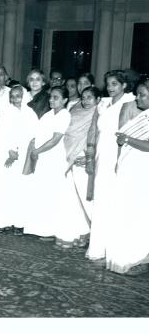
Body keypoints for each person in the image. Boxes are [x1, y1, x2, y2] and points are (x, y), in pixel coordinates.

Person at [24, 86, 88, 247]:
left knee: (54, 193)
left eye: (56, 97)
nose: (52, 100)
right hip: (44, 157)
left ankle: (54, 229)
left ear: (65, 100)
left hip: (55, 157)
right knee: (44, 192)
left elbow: (55, 139)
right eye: (51, 97)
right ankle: (44, 228)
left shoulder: (64, 115)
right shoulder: (48, 114)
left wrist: (37, 151)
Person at [86, 70, 135, 262]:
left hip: (118, 154)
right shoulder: (104, 103)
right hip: (102, 154)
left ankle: (112, 248)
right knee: (101, 199)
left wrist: (120, 158)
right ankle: (97, 246)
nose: (110, 87)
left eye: (115, 84)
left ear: (124, 85)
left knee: (114, 200)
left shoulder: (131, 103)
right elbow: (94, 129)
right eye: (108, 84)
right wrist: (91, 153)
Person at [105, 79, 149, 275]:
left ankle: (139, 258)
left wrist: (128, 139)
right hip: (130, 169)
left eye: (142, 95)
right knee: (125, 212)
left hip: (142, 171)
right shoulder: (144, 116)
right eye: (138, 94)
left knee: (138, 214)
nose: (138, 98)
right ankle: (124, 255)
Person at [0, 85, 38, 234]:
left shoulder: (30, 113)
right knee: (3, 188)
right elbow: (2, 134)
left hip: (23, 157)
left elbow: (33, 134)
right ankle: (1, 222)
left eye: (18, 95)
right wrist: (11, 151)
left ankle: (19, 223)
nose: (15, 98)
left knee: (20, 189)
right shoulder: (6, 112)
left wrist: (21, 152)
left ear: (24, 95)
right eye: (12, 96)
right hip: (5, 155)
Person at [63, 86, 100, 245]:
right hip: (70, 155)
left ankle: (97, 233)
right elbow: (68, 132)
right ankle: (82, 232)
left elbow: (98, 136)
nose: (85, 101)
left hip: (85, 157)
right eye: (83, 97)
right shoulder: (75, 109)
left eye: (89, 97)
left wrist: (89, 156)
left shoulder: (100, 112)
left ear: (98, 99)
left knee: (87, 197)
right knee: (73, 198)